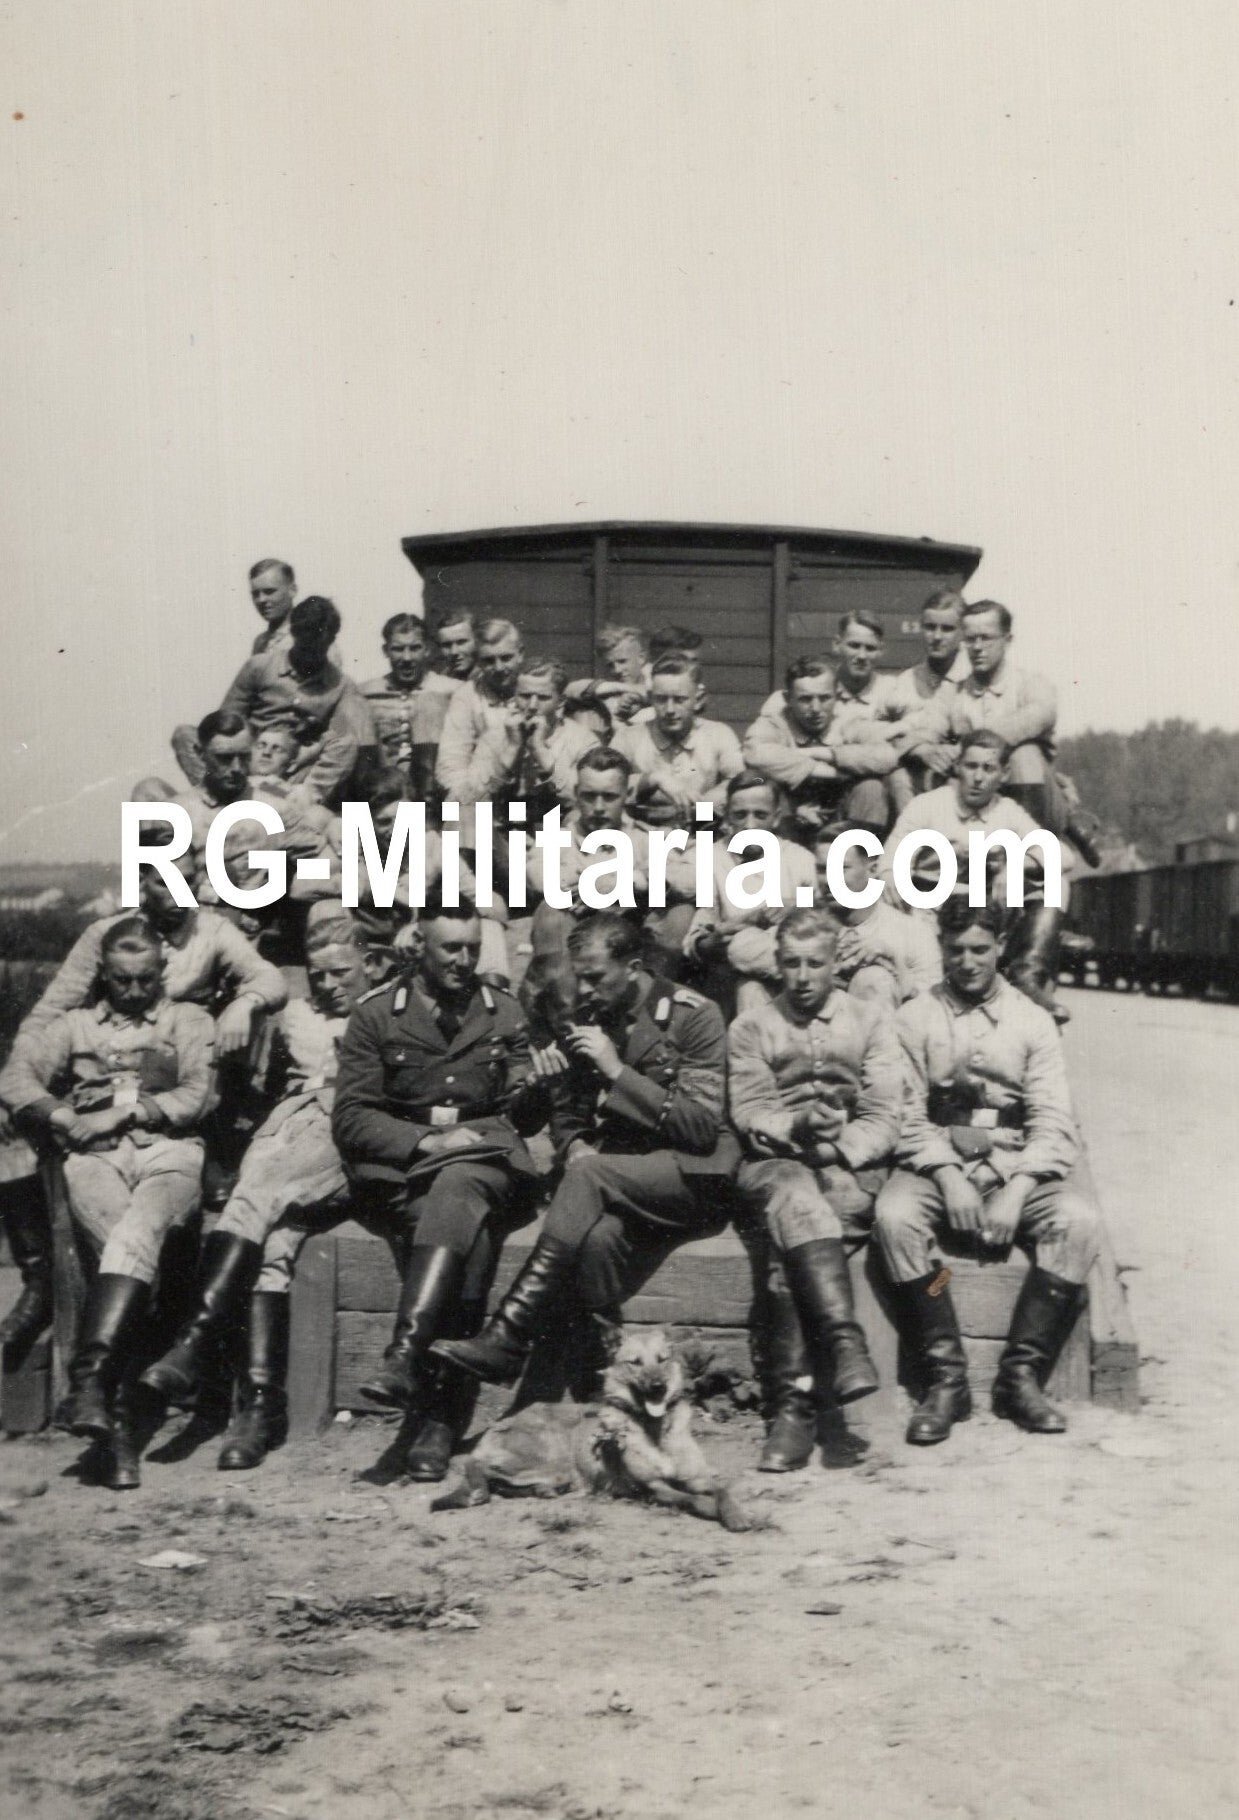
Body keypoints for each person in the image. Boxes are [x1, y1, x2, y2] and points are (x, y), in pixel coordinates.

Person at [430, 912, 740, 1392]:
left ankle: (509, 1333)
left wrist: (616, 1072)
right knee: (596, 1240)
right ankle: (598, 1382)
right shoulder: (591, 1019)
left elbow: (700, 1128)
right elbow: (568, 1114)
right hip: (621, 1184)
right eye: (581, 977)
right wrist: (571, 1138)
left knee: (591, 1174)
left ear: (633, 968)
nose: (587, 989)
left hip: (694, 1179)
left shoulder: (693, 1014)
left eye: (596, 977)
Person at [140, 915, 390, 1471]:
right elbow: (259, 1084)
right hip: (285, 1139)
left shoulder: (391, 1011)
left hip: (348, 1137)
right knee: (272, 1242)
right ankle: (260, 1407)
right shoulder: (298, 1015)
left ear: (371, 965)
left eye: (341, 973)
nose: (328, 985)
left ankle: (196, 1341)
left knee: (254, 1200)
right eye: (318, 975)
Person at [331, 900, 553, 1478]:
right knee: (469, 1235)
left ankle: (404, 1355)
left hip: (488, 1158)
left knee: (461, 1180)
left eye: (472, 949)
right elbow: (352, 1117)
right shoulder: (377, 1013)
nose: (463, 960)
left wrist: (535, 1093)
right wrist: (426, 1142)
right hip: (409, 1169)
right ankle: (439, 1421)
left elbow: (523, 1117)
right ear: (419, 948)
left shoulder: (502, 1010)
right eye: (451, 948)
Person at [874, 897, 1101, 1443]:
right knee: (895, 1216)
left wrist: (1017, 1189)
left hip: (1014, 1158)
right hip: (937, 1157)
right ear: (941, 947)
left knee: (1078, 1220)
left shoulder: (1033, 1020)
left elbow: (1053, 1120)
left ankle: (1021, 1377)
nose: (968, 962)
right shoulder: (913, 1018)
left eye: (980, 949)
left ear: (1001, 946)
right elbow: (906, 1114)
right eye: (956, 950)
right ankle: (946, 1378)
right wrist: (949, 1176)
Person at [0, 919, 215, 1489]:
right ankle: (112, 1419)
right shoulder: (74, 1026)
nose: (135, 991)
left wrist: (127, 1112)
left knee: (131, 1235)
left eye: (146, 979)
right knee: (129, 1245)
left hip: (169, 1155)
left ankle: (91, 1383)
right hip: (94, 1160)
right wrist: (60, 1113)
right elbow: (16, 1078)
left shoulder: (187, 1020)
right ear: (104, 976)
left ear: (162, 972)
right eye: (123, 981)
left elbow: (198, 1094)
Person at [727, 909, 901, 1469]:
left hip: (847, 1166)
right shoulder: (751, 1026)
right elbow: (751, 1110)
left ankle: (793, 1410)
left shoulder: (870, 1020)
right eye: (791, 964)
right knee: (797, 1199)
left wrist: (836, 1149)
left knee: (789, 1251)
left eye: (815, 964)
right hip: (774, 1164)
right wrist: (796, 1128)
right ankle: (846, 1345)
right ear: (777, 964)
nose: (802, 977)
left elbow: (884, 1115)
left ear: (836, 965)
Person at [879, 728, 1073, 1020]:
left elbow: (1064, 855)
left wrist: (1015, 864)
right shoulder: (929, 804)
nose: (978, 777)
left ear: (1004, 775)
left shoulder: (1007, 811)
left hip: (984, 910)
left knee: (1057, 882)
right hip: (932, 908)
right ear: (957, 767)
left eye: (988, 768)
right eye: (971, 766)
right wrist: (891, 873)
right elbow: (891, 854)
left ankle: (1027, 976)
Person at [221, 596, 377, 804]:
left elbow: (340, 738)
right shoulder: (259, 667)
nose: (310, 655)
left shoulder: (341, 685)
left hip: (299, 769)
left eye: (318, 648)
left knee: (347, 740)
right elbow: (228, 719)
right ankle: (223, 792)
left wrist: (310, 750)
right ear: (293, 633)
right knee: (186, 735)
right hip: (252, 757)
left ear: (331, 640)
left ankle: (302, 801)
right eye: (305, 646)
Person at [682, 772, 816, 1011]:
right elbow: (696, 939)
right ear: (727, 816)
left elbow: (822, 913)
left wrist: (797, 907)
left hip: (789, 965)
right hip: (736, 971)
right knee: (748, 978)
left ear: (776, 818)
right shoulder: (707, 858)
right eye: (740, 815)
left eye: (760, 815)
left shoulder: (800, 859)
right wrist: (715, 940)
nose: (750, 825)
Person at [170, 559, 300, 784]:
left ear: (292, 590)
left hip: (279, 741)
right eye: (256, 594)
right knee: (185, 737)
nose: (262, 600)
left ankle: (224, 792)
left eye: (270, 591)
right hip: (250, 734)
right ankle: (221, 792)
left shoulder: (306, 640)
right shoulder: (262, 642)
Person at [523, 745, 651, 969]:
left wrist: (622, 883)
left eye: (609, 797)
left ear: (628, 794)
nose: (598, 807)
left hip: (630, 947)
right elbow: (536, 874)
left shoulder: (645, 838)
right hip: (572, 944)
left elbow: (690, 874)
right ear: (576, 793)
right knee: (552, 909)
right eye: (589, 796)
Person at [742, 656, 898, 839]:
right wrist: (830, 772)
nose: (816, 708)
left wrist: (826, 753)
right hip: (789, 817)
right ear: (788, 699)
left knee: (871, 787)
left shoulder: (848, 721)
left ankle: (858, 852)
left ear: (837, 695)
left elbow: (887, 755)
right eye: (805, 699)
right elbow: (755, 752)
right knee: (760, 782)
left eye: (824, 698)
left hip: (840, 817)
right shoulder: (775, 722)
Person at [812, 828, 941, 1005]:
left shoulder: (914, 932)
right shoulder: (802, 925)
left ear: (872, 870)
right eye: (821, 869)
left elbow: (934, 1006)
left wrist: (897, 967)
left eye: (841, 868)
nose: (828, 880)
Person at [463, 657, 597, 825]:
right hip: (504, 827)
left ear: (560, 701)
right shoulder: (494, 736)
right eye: (525, 696)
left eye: (543, 697)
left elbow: (587, 800)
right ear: (514, 697)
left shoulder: (583, 739)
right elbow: (470, 797)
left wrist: (541, 751)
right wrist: (512, 748)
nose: (532, 705)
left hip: (556, 829)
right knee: (463, 814)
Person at [616, 657, 743, 828]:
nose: (669, 709)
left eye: (679, 700)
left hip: (701, 832)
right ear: (651, 698)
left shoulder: (719, 734)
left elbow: (739, 784)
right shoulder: (628, 737)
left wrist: (702, 809)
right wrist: (653, 779)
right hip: (640, 834)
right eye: (661, 699)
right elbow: (607, 784)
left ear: (698, 700)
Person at [434, 618, 526, 821]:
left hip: (531, 797)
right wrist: (470, 801)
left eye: (506, 658)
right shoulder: (467, 696)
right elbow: (451, 765)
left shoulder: (534, 688)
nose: (499, 668)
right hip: (485, 799)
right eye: (489, 661)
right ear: (479, 661)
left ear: (520, 654)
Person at [884, 590, 972, 801]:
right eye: (930, 627)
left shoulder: (973, 677)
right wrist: (920, 749)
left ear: (963, 632)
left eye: (947, 629)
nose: (937, 637)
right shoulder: (906, 681)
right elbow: (883, 732)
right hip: (914, 777)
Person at [360, 613, 459, 797]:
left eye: (415, 648)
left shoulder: (452, 690)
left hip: (437, 791)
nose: (406, 658)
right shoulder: (366, 693)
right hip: (384, 792)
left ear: (427, 649)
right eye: (398, 649)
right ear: (386, 651)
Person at [565, 624, 652, 725]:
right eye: (610, 665)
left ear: (641, 658)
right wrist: (630, 689)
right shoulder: (608, 691)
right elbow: (568, 690)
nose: (617, 670)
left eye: (622, 661)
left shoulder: (658, 682)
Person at [432, 607, 479, 683]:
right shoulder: (440, 681)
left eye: (461, 642)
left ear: (478, 641)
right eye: (447, 645)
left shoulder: (491, 679)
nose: (454, 652)